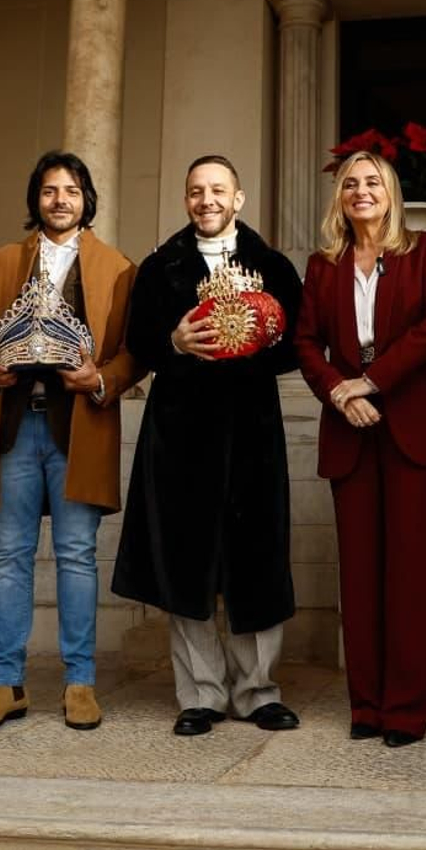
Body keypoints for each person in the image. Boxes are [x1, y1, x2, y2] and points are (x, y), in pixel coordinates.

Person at [111, 154, 304, 736]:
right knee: (185, 559)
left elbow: (298, 343)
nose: (207, 201)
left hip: (251, 432)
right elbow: (138, 341)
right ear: (186, 199)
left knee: (256, 560)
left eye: (218, 190)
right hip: (181, 431)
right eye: (197, 191)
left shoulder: (272, 266)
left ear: (238, 199)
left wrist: (254, 340)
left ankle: (258, 691)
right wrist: (173, 339)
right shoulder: (159, 265)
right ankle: (200, 694)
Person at [0, 150, 142, 732]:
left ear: (87, 200)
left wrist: (103, 379)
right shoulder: (0, 262)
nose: (60, 200)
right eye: (49, 191)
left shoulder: (118, 267)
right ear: (35, 199)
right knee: (9, 557)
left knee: (77, 557)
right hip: (14, 423)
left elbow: (134, 353)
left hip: (78, 425)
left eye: (71, 191)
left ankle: (79, 683)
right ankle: (4, 684)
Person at [294, 150, 426, 748]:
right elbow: (306, 341)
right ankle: (365, 706)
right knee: (362, 575)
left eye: (372, 182)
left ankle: (406, 710)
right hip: (350, 428)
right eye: (351, 183)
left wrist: (371, 381)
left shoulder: (422, 251)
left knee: (410, 574)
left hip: (412, 424)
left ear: (391, 193)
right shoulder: (324, 265)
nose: (361, 191)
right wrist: (341, 393)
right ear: (339, 197)